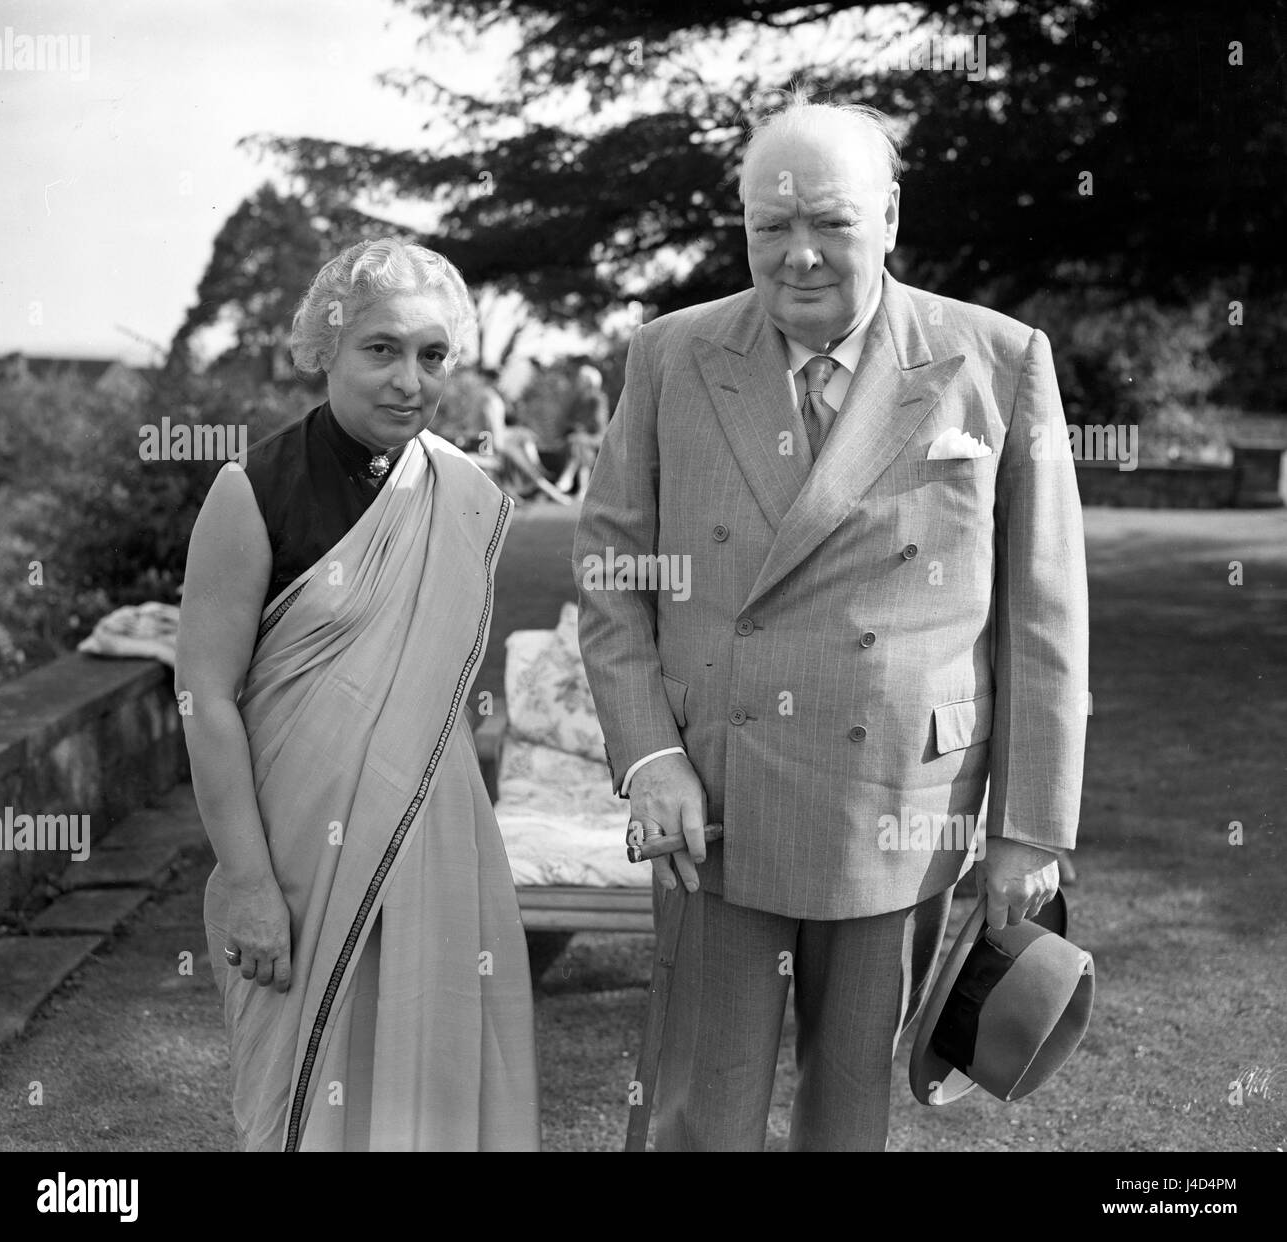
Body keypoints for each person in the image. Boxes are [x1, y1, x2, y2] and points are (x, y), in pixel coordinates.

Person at [572, 97, 1089, 1151]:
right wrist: (650, 758)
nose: (798, 254)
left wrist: (1029, 827)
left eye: (831, 223)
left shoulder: (997, 358)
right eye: (771, 226)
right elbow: (612, 578)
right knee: (699, 1112)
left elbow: (1044, 612)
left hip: (897, 808)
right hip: (714, 803)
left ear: (889, 216)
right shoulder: (669, 355)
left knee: (849, 1113)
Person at [176, 238, 540, 1152]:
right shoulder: (252, 491)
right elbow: (204, 697)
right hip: (295, 860)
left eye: (432, 355)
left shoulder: (462, 492)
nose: (409, 381)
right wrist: (248, 882)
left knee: (433, 1087)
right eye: (382, 349)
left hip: (434, 837)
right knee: (301, 1102)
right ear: (324, 349)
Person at [554, 363, 610, 495]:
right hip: (579, 439)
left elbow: (599, 424)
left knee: (578, 443)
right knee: (579, 445)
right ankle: (582, 489)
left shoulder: (598, 399)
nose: (578, 381)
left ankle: (568, 475)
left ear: (589, 382)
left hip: (596, 437)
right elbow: (567, 420)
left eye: (581, 379)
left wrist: (582, 428)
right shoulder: (577, 400)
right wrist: (575, 427)